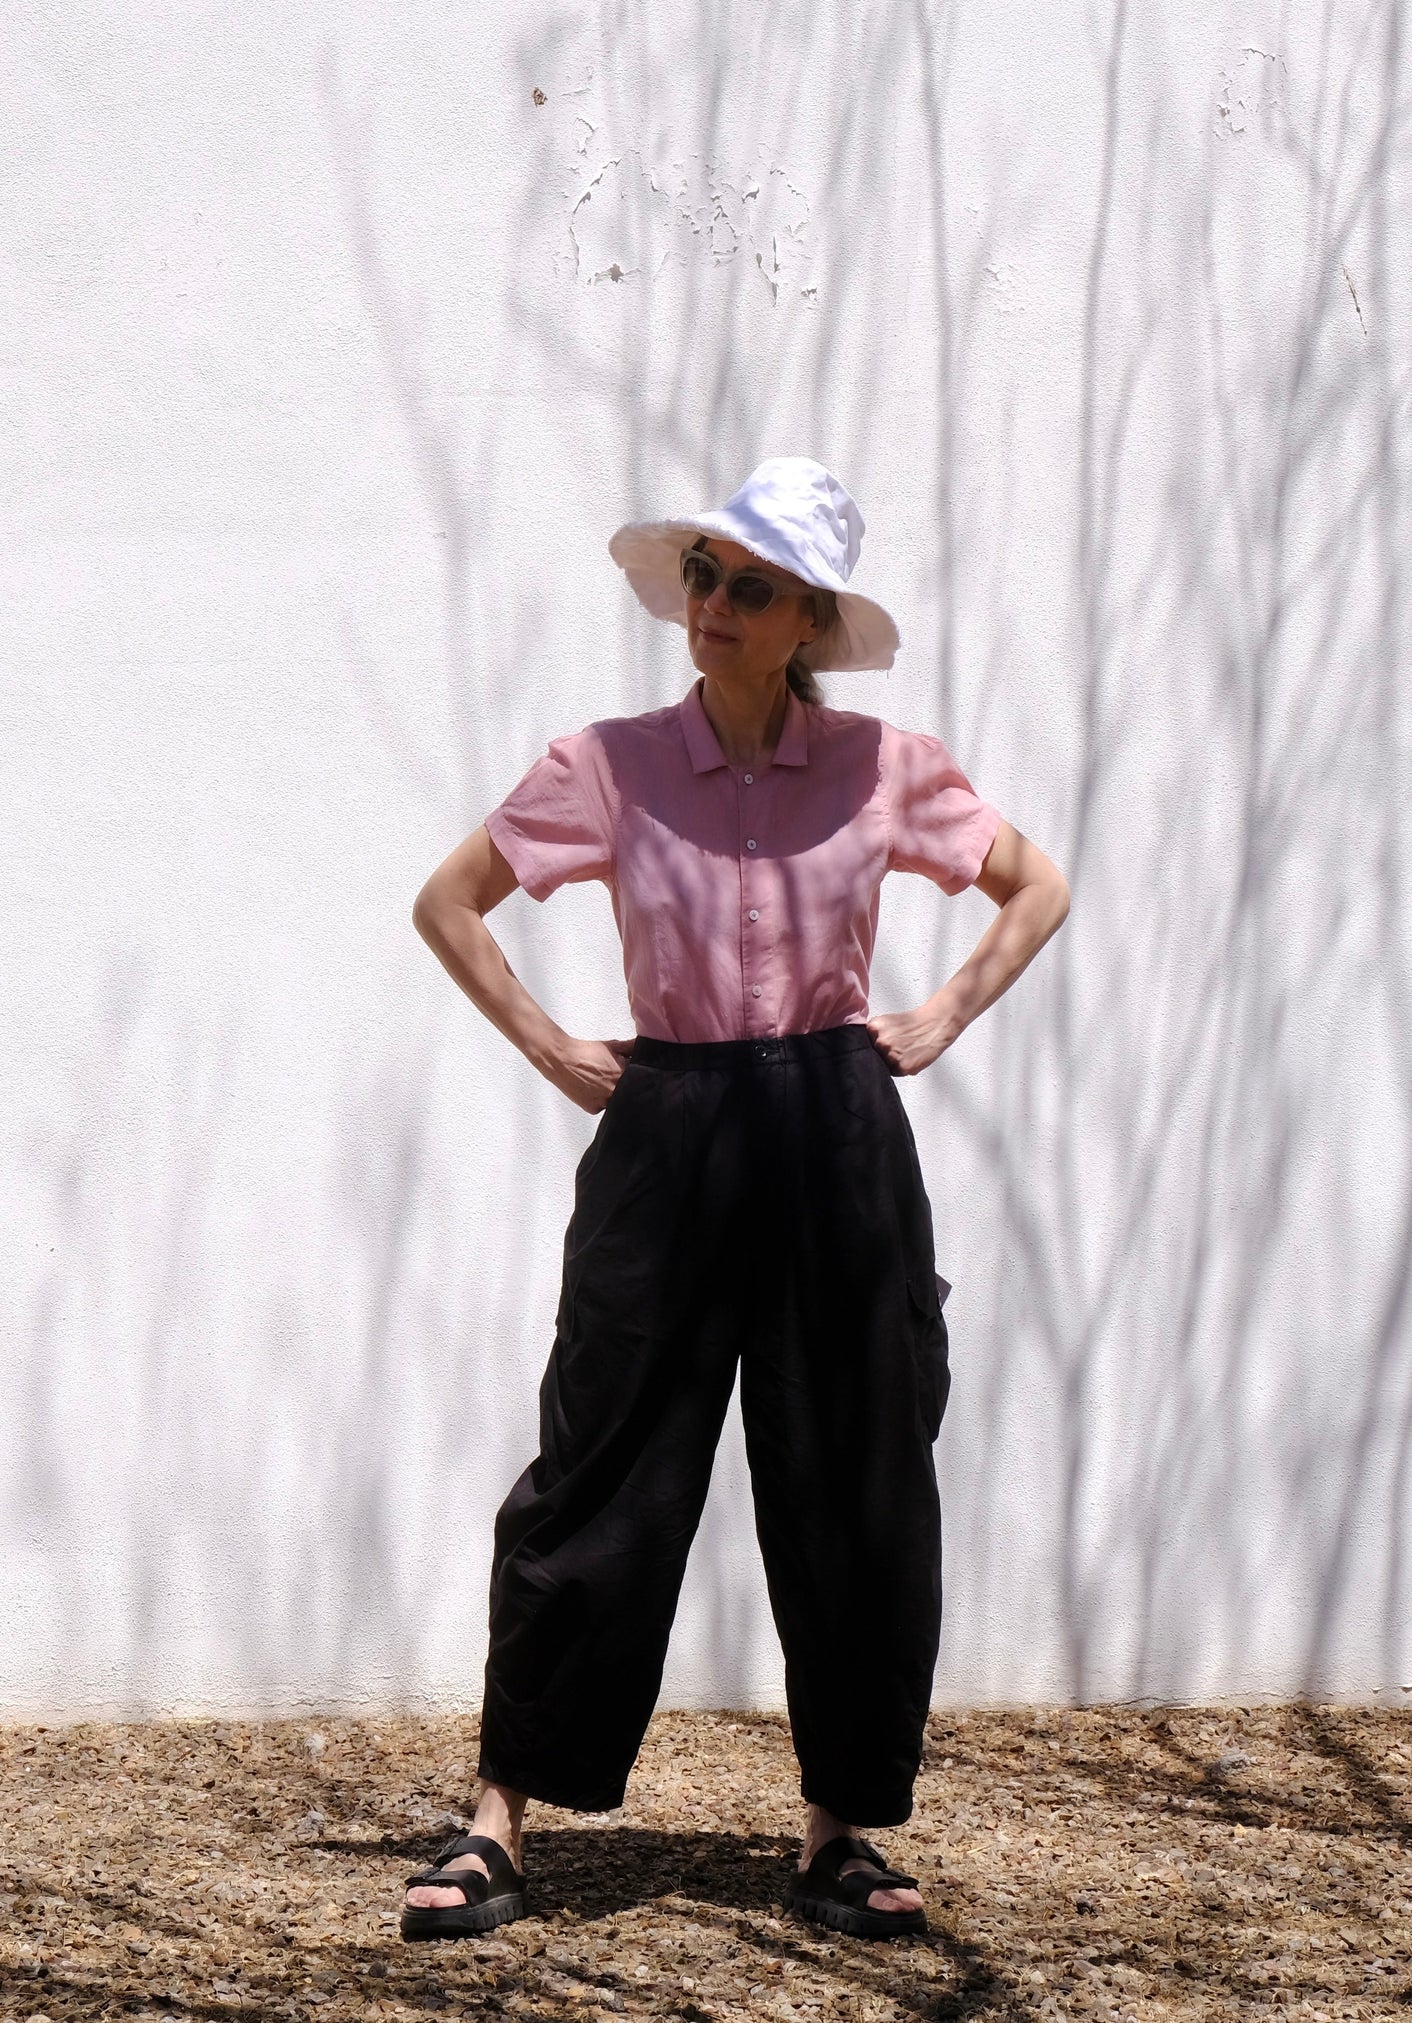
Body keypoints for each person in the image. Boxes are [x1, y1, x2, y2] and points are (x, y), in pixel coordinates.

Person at [402, 458, 1070, 1943]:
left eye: (748, 586)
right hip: (673, 1126)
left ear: (807, 619)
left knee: (854, 1470)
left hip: (834, 1130)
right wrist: (553, 1048)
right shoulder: (608, 764)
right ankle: (501, 1818)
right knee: (598, 1460)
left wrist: (941, 1015)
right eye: (703, 573)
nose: (711, 603)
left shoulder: (885, 766)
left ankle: (839, 1831)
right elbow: (447, 903)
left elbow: (1038, 886)